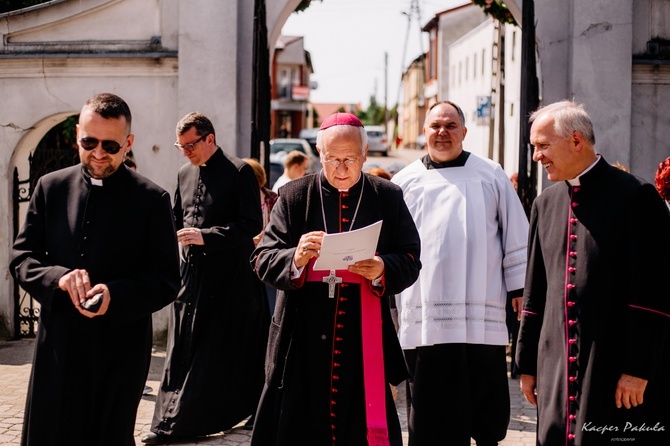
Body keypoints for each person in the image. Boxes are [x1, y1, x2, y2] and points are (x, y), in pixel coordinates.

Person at [10, 93, 181, 446]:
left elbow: (166, 281)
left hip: (121, 351)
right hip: (58, 345)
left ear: (128, 142)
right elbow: (22, 258)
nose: (99, 153)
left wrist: (114, 294)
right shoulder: (50, 187)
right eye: (89, 142)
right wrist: (59, 278)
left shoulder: (153, 200)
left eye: (110, 144)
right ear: (77, 135)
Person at [250, 112, 422, 446]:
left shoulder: (387, 195)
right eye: (331, 160)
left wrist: (383, 268)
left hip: (363, 339)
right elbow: (260, 259)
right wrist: (295, 257)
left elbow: (412, 258)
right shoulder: (295, 195)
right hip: (299, 339)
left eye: (349, 160)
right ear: (319, 153)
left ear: (365, 155)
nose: (340, 169)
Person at [516, 100, 670, 445]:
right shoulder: (545, 203)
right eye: (533, 147)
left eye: (542, 146)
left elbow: (654, 294)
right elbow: (534, 291)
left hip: (613, 367)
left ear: (576, 140)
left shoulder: (636, 197)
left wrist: (638, 370)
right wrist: (527, 365)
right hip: (554, 365)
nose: (536, 156)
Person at [391, 100, 529, 446]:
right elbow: (388, 245)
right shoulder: (403, 182)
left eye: (451, 126)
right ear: (423, 132)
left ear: (464, 132)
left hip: (482, 311)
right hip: (426, 314)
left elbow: (516, 232)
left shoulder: (490, 174)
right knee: (430, 409)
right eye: (435, 126)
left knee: (484, 407)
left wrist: (518, 290)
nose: (442, 132)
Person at [143, 112, 269, 444]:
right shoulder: (184, 173)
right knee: (180, 346)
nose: (184, 152)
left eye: (189, 145)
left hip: (229, 281)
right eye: (179, 146)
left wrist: (206, 236)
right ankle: (167, 419)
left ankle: (187, 421)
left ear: (209, 139)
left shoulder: (239, 172)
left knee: (216, 352)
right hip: (190, 277)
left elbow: (251, 224)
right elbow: (174, 218)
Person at [243, 157, 279, 313]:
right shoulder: (237, 200)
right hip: (244, 259)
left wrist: (266, 237)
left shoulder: (273, 198)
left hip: (267, 256)